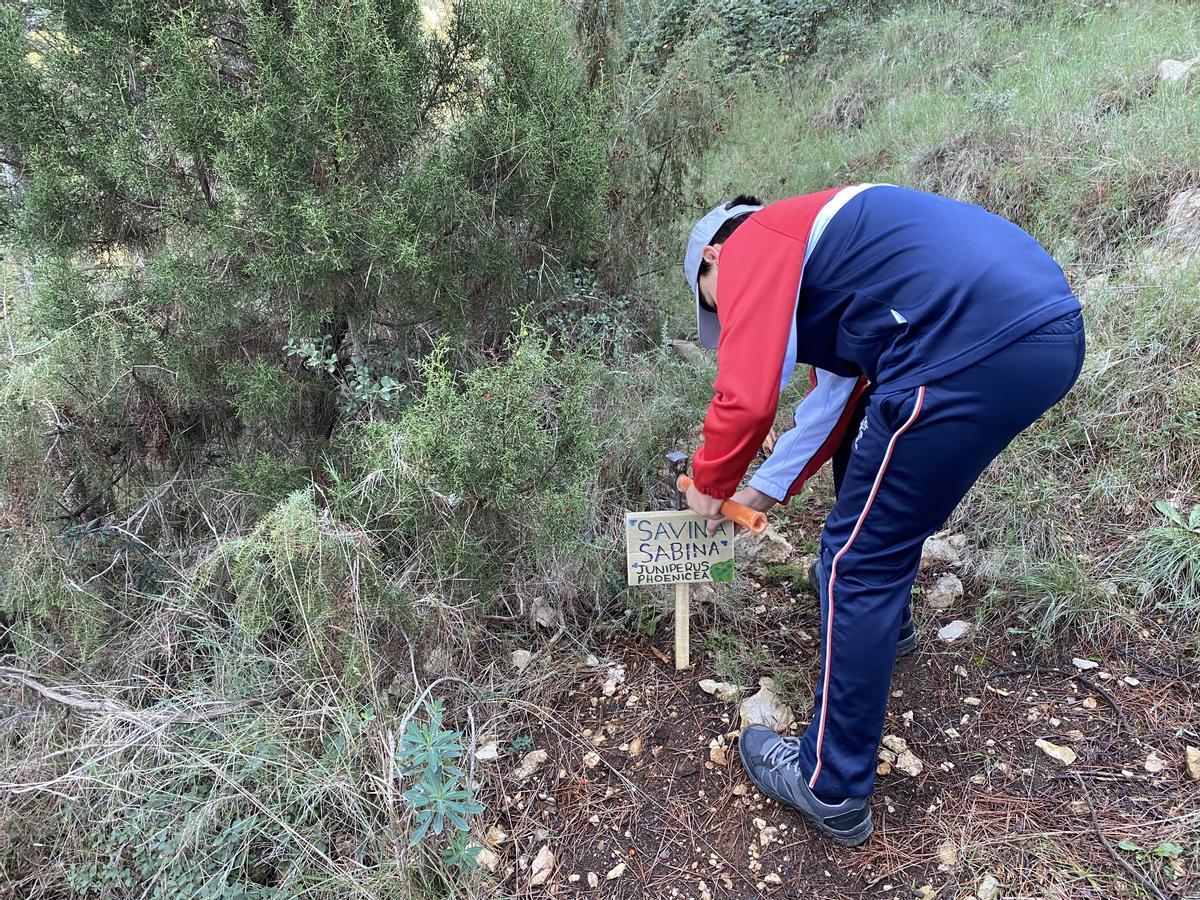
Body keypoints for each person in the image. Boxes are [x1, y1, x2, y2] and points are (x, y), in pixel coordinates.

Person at [681, 184, 1085, 846]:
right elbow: (835, 403)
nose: (725, 321)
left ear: (716, 258)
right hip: (1042, 334)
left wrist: (707, 484)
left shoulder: (758, 242)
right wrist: (750, 496)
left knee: (855, 561)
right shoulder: (834, 259)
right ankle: (883, 629)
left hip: (967, 347)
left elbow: (747, 398)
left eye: (711, 304)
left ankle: (829, 785)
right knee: (871, 464)